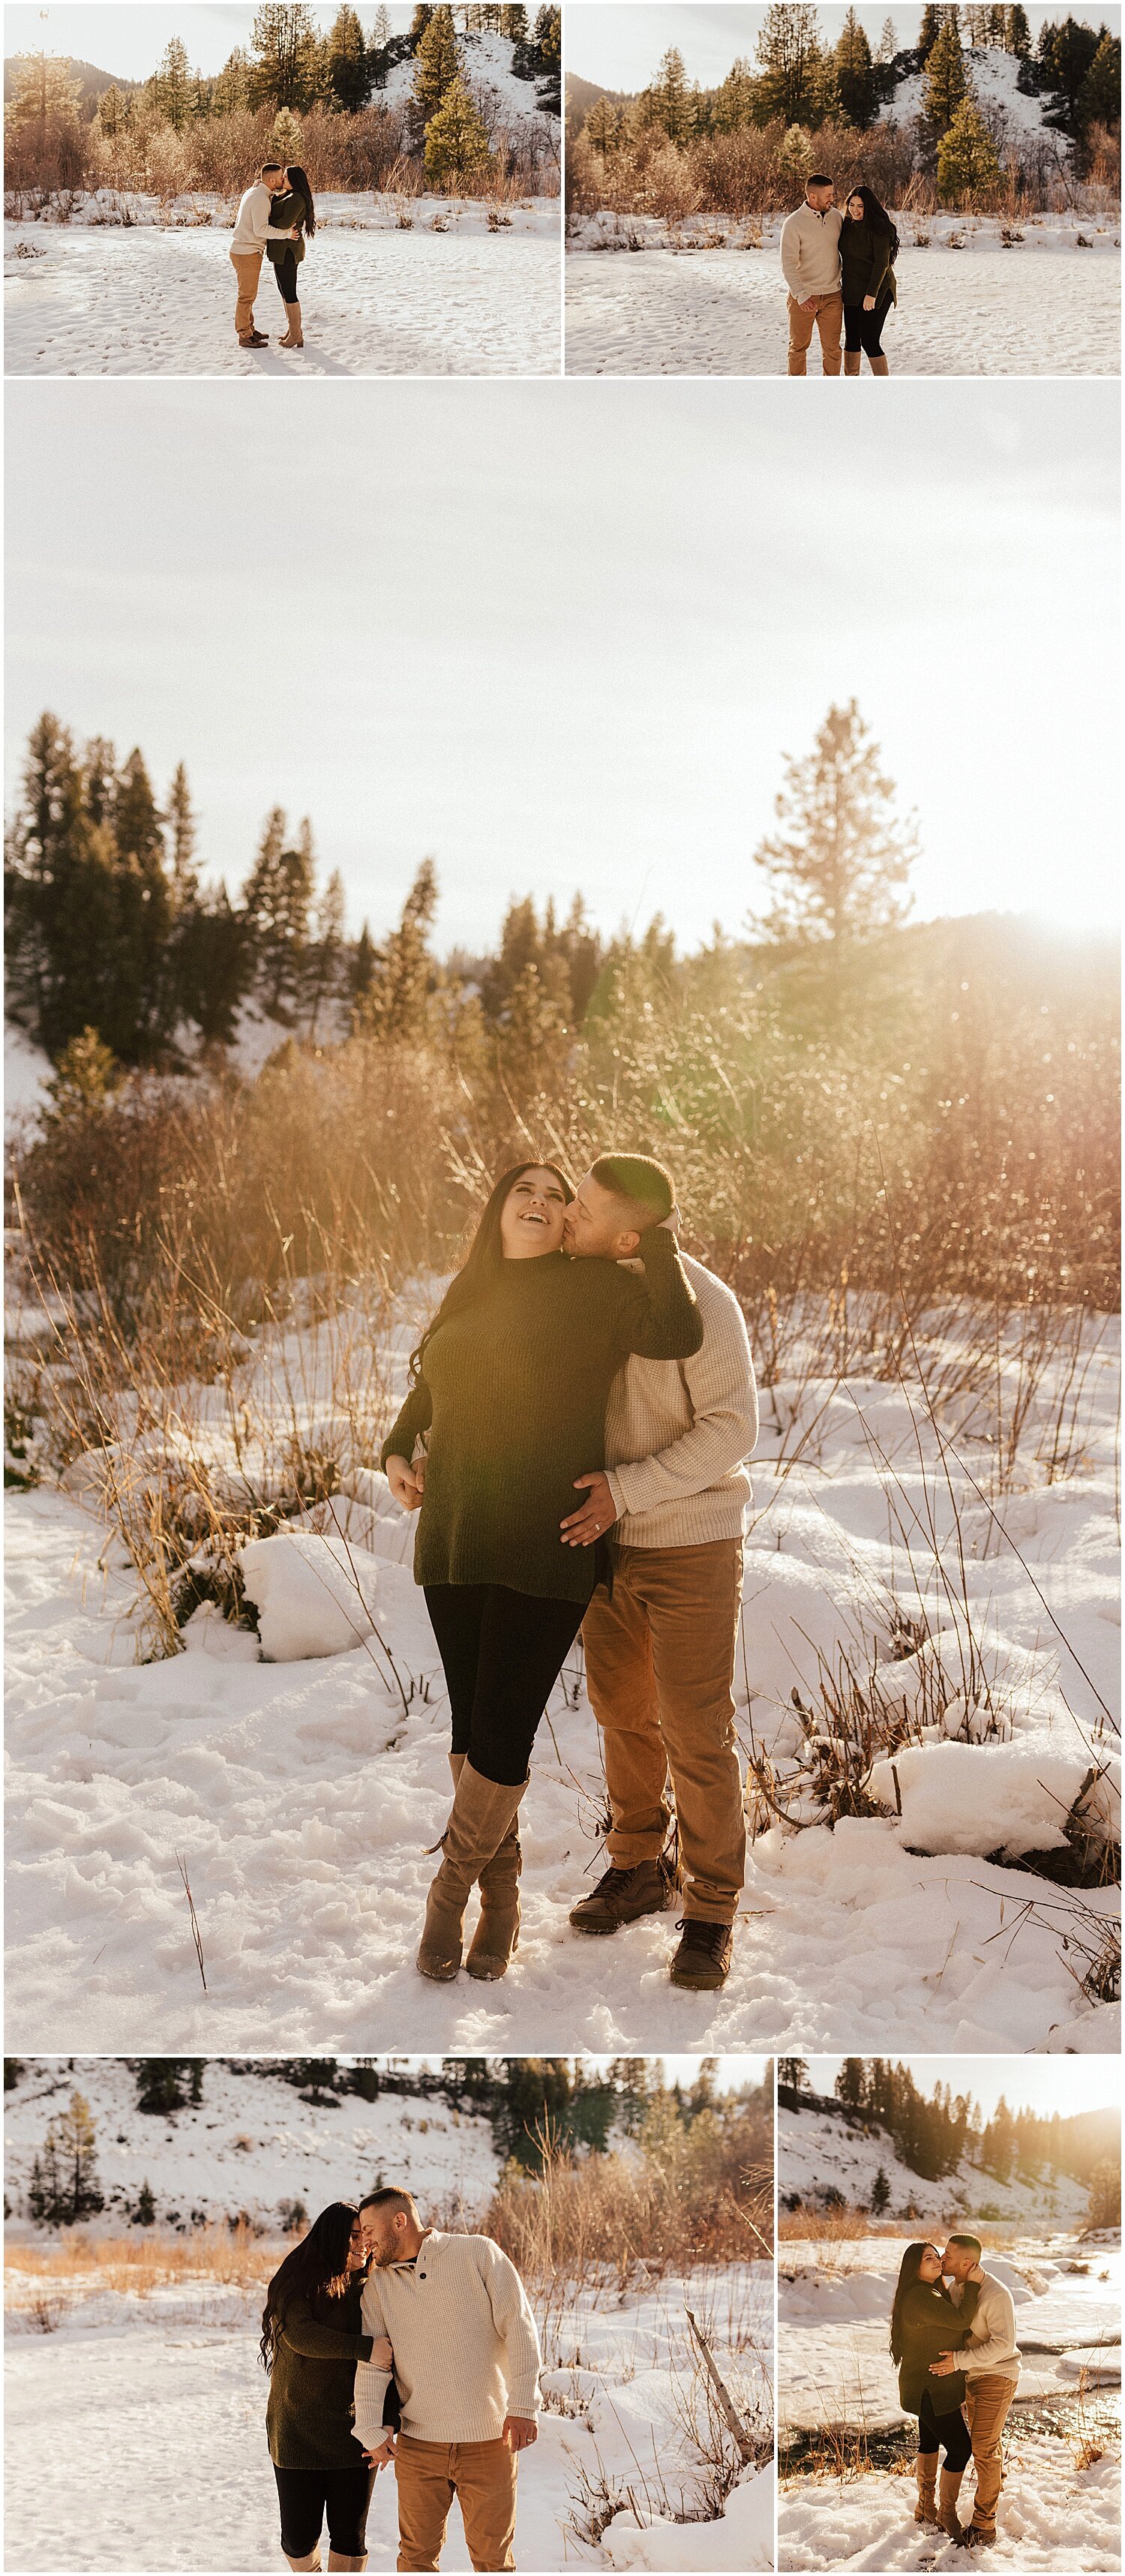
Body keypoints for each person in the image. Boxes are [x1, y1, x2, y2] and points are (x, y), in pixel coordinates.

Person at [381, 1156, 702, 1985]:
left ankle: (449, 1894)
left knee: (506, 1726)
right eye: (525, 1188)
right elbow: (432, 1387)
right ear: (496, 1210)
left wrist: (656, 1242)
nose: (542, 1200)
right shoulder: (469, 1291)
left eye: (557, 1196)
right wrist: (394, 1446)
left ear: (567, 1223)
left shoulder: (592, 1291)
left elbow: (676, 1332)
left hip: (546, 1537)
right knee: (470, 1728)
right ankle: (505, 1893)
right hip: (454, 1531)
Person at [560, 1159, 758, 1992]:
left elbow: (732, 1427)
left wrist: (628, 1490)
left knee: (695, 1729)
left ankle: (712, 1909)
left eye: (585, 1206)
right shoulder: (577, 1289)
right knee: (621, 1714)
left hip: (688, 1542)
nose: (568, 1213)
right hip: (601, 1544)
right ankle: (640, 1865)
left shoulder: (705, 1304)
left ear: (629, 1234)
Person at [353, 2186, 541, 2575]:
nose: (365, 2241)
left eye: (370, 2230)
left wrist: (523, 2406)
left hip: (489, 2441)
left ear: (399, 2222)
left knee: (493, 2562)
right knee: (416, 2559)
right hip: (420, 2447)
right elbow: (373, 2363)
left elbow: (520, 2329)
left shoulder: (478, 2253)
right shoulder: (378, 2288)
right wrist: (370, 2426)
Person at [261, 2202, 398, 2575]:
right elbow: (302, 2337)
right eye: (353, 2237)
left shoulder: (373, 2288)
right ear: (331, 2238)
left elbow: (395, 2363)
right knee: (299, 2538)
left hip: (355, 2431)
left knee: (350, 2538)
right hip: (297, 2430)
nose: (362, 2244)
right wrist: (364, 2348)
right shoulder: (297, 2283)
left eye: (366, 2236)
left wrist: (388, 2422)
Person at [890, 2241, 981, 2543]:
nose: (937, 2260)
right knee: (961, 2449)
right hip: (930, 2388)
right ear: (913, 2266)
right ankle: (946, 2513)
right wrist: (970, 2285)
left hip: (926, 2386)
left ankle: (925, 2505)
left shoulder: (929, 2293)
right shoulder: (919, 2296)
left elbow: (947, 2328)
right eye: (928, 2258)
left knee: (929, 2441)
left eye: (936, 2255)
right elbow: (959, 2320)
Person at [936, 2234, 1022, 2548]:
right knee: (986, 2446)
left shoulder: (997, 2295)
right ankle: (992, 2485)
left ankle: (985, 2527)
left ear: (967, 2262)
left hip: (996, 2376)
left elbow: (1002, 2345)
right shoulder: (958, 2287)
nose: (942, 2259)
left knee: (983, 2449)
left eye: (947, 2255)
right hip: (971, 2377)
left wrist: (958, 2361)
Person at [779, 174, 843, 377]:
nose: (832, 198)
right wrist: (801, 293)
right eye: (828, 195)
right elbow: (788, 263)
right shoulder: (794, 223)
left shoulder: (836, 218)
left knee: (833, 350)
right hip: (804, 297)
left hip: (833, 295)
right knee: (798, 349)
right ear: (813, 196)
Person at [230, 162, 298, 349]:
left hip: (244, 250)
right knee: (246, 296)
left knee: (248, 294)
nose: (283, 180)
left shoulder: (258, 192)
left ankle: (250, 329)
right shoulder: (260, 197)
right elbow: (261, 229)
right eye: (280, 178)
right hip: (247, 252)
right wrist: (287, 234)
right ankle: (244, 335)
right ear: (271, 180)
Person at [841, 184, 898, 377]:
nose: (855, 210)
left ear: (869, 206)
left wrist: (871, 294)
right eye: (852, 204)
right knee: (851, 340)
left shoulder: (878, 228)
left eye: (861, 206)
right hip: (852, 288)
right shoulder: (847, 225)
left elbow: (882, 264)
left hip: (878, 288)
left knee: (870, 340)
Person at [267, 164, 316, 350]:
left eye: (286, 176)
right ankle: (294, 330)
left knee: (289, 292)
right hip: (282, 250)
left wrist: (264, 220)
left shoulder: (296, 198)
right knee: (283, 290)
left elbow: (285, 223)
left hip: (288, 251)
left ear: (294, 179)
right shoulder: (288, 195)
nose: (283, 179)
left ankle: (296, 334)